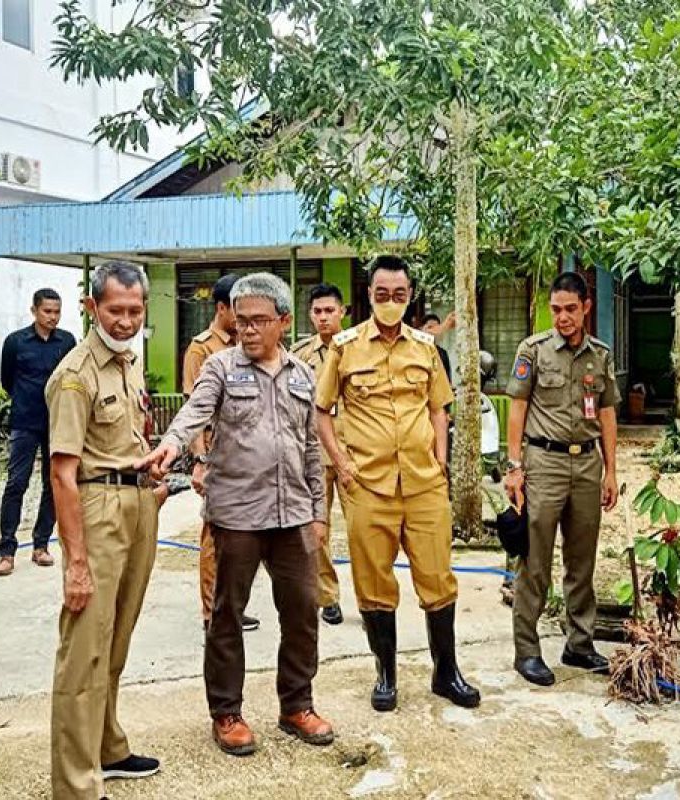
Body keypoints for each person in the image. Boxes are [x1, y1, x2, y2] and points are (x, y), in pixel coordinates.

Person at [139, 273, 334, 757]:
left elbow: (310, 446)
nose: (247, 330)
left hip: (292, 516)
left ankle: (296, 705)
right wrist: (170, 444)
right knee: (226, 616)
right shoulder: (222, 368)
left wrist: (318, 511)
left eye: (259, 321)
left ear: (283, 322)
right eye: (241, 321)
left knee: (301, 613)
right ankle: (226, 713)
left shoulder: (303, 375)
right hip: (237, 515)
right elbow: (193, 412)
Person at [315, 255, 480, 712]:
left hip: (424, 485)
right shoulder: (344, 348)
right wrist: (342, 464)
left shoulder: (426, 348)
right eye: (382, 294)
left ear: (411, 297)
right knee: (374, 582)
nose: (391, 302)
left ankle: (446, 672)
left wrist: (442, 462)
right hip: (368, 486)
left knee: (438, 579)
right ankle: (385, 674)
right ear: (369, 295)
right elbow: (321, 412)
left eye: (400, 295)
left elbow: (438, 408)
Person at [46, 261, 166, 799]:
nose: (125, 321)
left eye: (134, 311)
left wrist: (148, 465)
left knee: (116, 640)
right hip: (96, 510)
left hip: (137, 502)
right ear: (92, 308)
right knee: (84, 650)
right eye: (114, 310)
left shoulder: (128, 363)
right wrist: (75, 561)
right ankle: (75, 784)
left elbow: (127, 434)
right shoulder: (76, 375)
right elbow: (61, 473)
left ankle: (107, 747)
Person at [503, 271, 619, 687]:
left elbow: (607, 413)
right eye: (556, 309)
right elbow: (517, 409)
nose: (563, 317)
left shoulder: (600, 355)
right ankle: (527, 651)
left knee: (581, 559)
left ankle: (580, 643)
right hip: (543, 463)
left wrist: (612, 471)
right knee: (534, 560)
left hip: (587, 465)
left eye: (571, 309)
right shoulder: (533, 351)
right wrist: (513, 467)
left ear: (586, 307)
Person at [183, 274, 260, 634]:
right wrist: (200, 460)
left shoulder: (248, 343)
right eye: (239, 309)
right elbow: (194, 414)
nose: (247, 317)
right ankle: (211, 612)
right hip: (216, 454)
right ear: (221, 308)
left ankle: (233, 605)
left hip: (247, 454)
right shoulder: (201, 350)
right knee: (214, 537)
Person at [0, 288, 77, 576]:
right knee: (16, 483)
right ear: (34, 311)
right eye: (47, 311)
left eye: (57, 312)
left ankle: (41, 545)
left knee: (54, 484)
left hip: (57, 424)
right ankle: (6, 550)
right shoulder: (15, 342)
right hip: (24, 423)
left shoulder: (67, 341)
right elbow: (7, 381)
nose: (52, 317)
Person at [291, 284, 349, 626]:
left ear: (342, 312)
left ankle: (375, 599)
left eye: (330, 310)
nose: (324, 317)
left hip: (353, 454)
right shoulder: (299, 356)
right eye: (318, 311)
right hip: (312, 456)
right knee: (316, 528)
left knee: (364, 530)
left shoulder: (359, 349)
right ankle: (328, 595)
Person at [419, 313, 453, 383]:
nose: (433, 331)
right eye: (430, 327)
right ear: (421, 329)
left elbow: (447, 380)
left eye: (437, 328)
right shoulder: (415, 351)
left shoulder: (443, 353)